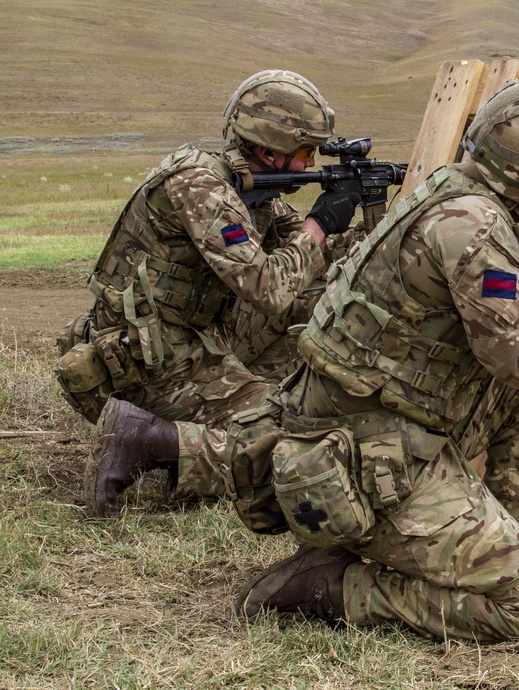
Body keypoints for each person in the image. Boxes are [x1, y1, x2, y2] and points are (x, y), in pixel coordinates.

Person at [85, 75, 519, 642]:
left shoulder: (473, 198)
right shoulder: (469, 228)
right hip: (370, 458)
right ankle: (327, 587)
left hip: (407, 422)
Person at [55, 69, 362, 500]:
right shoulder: (202, 187)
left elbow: (309, 264)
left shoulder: (253, 192)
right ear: (267, 150)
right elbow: (269, 288)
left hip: (190, 337)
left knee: (312, 297)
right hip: (151, 359)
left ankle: (248, 403)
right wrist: (318, 225)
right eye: (306, 150)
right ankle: (145, 440)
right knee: (298, 442)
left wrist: (349, 225)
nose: (312, 164)